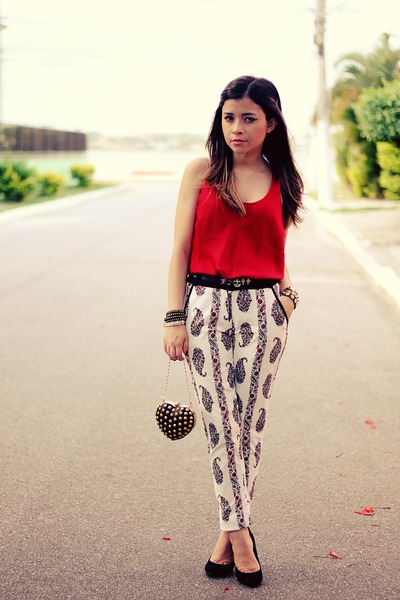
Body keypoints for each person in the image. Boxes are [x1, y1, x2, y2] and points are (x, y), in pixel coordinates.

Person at [163, 75, 303, 588]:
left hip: (265, 315)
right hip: (205, 308)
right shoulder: (201, 172)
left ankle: (225, 536)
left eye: (248, 118)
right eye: (229, 117)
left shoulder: (283, 177)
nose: (237, 128)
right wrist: (174, 316)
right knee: (221, 425)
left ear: (271, 122)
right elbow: (180, 249)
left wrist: (288, 298)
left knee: (249, 429)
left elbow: (276, 247)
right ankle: (242, 538)